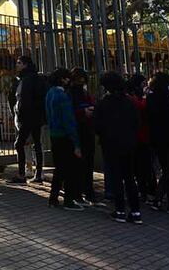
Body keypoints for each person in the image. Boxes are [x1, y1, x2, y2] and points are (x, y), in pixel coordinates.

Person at [94, 72, 142, 224]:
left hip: (111, 144)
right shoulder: (129, 102)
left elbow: (97, 125)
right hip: (128, 143)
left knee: (116, 177)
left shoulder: (103, 103)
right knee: (129, 178)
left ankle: (120, 210)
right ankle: (135, 211)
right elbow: (136, 122)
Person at [146, 73, 169, 213]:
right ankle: (168, 202)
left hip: (157, 139)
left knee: (166, 170)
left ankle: (160, 199)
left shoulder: (151, 97)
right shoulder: (166, 98)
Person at [46, 67, 83, 210]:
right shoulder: (63, 96)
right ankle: (68, 200)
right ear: (63, 79)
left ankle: (53, 198)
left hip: (54, 134)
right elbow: (68, 121)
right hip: (64, 136)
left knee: (59, 168)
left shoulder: (50, 93)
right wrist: (76, 143)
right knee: (69, 169)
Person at [9, 55, 48, 184]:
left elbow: (24, 100)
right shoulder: (37, 78)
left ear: (25, 65)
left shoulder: (25, 80)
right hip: (37, 116)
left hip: (27, 117)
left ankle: (22, 173)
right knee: (37, 143)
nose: (17, 65)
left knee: (19, 144)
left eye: (19, 63)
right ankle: (38, 173)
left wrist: (19, 115)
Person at [69, 67, 99, 204]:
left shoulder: (80, 92)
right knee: (84, 162)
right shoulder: (76, 93)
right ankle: (85, 190)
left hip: (83, 129)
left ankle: (83, 190)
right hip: (83, 129)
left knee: (82, 162)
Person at [127, 74, 154, 203]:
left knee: (144, 165)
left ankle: (145, 190)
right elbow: (141, 107)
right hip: (139, 135)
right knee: (141, 165)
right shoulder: (135, 98)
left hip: (142, 135)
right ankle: (142, 190)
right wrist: (145, 97)